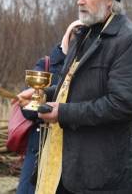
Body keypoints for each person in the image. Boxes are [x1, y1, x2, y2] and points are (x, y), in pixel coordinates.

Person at [17, 0, 132, 193]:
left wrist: (63, 113)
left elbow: (122, 105)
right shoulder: (85, 35)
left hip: (108, 177)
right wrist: (43, 95)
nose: (80, 1)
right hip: (70, 171)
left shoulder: (129, 41)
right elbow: (72, 86)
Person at [16, 20, 84, 194]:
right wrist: (43, 107)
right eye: (72, 36)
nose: (75, 41)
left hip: (72, 147)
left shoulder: (86, 68)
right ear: (66, 38)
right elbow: (27, 109)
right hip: (39, 144)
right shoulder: (47, 65)